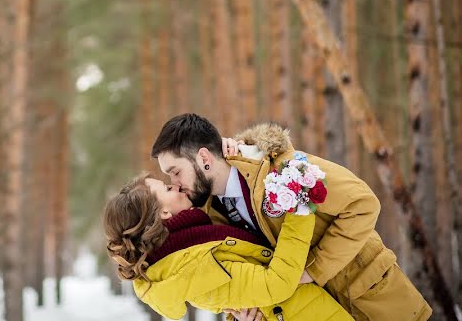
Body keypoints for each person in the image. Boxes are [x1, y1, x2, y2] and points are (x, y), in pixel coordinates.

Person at [151, 113, 431, 321]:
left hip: (374, 301)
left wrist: (314, 270)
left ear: (203, 158)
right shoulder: (211, 220)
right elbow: (250, 284)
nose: (175, 184)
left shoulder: (279, 168)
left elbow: (362, 203)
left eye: (175, 171)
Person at [103, 174, 353, 320]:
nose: (176, 185)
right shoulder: (189, 267)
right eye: (168, 188)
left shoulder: (192, 238)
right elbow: (276, 283)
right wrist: (298, 207)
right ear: (164, 212)